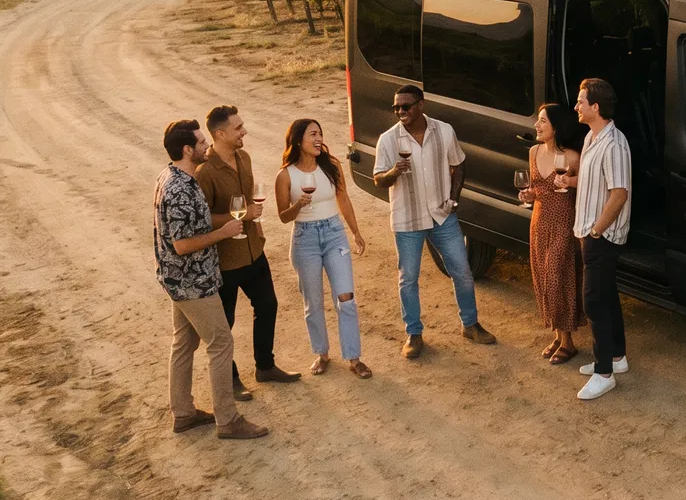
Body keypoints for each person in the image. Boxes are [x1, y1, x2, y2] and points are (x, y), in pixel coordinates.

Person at [153, 119, 267, 440]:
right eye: (201, 143)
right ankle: (227, 420)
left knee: (184, 343)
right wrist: (224, 232)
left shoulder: (172, 177)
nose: (206, 146)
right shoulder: (179, 189)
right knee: (221, 343)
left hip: (179, 280)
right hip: (193, 282)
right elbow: (182, 244)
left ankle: (183, 414)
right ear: (187, 149)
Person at [373, 85, 497, 357]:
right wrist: (394, 171)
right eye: (396, 107)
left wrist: (454, 199)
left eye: (406, 106)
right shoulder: (388, 140)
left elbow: (459, 163)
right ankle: (414, 334)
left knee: (462, 272)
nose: (400, 111)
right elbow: (379, 179)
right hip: (408, 220)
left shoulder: (444, 130)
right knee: (408, 279)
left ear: (421, 105)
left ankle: (470, 325)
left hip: (442, 216)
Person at [195, 105, 300, 400]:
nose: (244, 131)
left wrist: (254, 218)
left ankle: (265, 367)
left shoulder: (245, 157)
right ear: (220, 134)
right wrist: (237, 216)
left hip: (254, 249)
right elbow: (201, 219)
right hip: (225, 260)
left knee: (267, 306)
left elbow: (250, 199)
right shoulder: (205, 172)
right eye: (238, 128)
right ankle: (229, 380)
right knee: (225, 323)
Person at [276, 117, 372, 378]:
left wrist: (355, 232)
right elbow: (283, 216)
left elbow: (343, 198)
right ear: (298, 141)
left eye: (320, 133)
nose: (319, 139)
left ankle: (354, 358)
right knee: (313, 302)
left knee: (346, 297)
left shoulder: (332, 165)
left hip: (334, 234)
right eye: (312, 134)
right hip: (304, 238)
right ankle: (322, 354)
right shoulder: (285, 175)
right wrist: (298, 206)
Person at [563, 77, 632, 401]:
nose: (576, 106)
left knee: (593, 301)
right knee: (607, 295)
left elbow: (619, 194)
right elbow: (596, 181)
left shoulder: (614, 144)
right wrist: (570, 181)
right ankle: (616, 358)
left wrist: (596, 231)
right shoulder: (592, 136)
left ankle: (604, 374)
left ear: (596, 106)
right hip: (590, 231)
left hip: (602, 235)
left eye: (581, 101)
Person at [517, 103, 585, 365]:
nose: (536, 125)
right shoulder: (533, 152)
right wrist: (529, 194)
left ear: (555, 128)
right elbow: (537, 189)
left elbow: (587, 187)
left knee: (558, 277)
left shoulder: (572, 157)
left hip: (564, 224)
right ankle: (558, 336)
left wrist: (570, 182)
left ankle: (568, 342)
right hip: (539, 223)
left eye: (542, 121)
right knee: (543, 279)